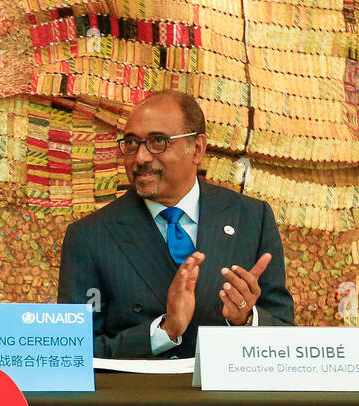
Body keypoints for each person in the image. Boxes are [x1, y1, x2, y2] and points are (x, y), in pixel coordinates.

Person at [57, 91, 294, 358]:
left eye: (158, 142)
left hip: (227, 398)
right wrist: (164, 332)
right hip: (141, 396)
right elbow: (77, 352)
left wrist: (246, 319)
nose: (141, 158)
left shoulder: (252, 218)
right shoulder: (90, 237)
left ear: (197, 149)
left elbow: (284, 332)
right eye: (132, 143)